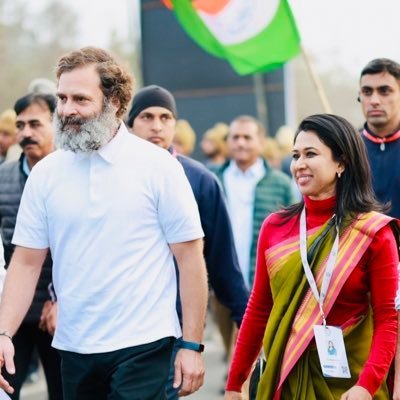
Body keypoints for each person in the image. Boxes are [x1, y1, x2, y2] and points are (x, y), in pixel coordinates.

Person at [0, 47, 208, 400]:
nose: (66, 109)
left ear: (115, 102)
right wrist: (4, 333)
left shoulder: (158, 167)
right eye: (62, 98)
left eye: (80, 99)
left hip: (145, 345)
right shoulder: (46, 174)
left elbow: (189, 259)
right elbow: (26, 262)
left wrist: (191, 344)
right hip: (73, 347)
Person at [224, 114, 399, 400]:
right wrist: (234, 383)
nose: (299, 164)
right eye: (295, 155)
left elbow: (388, 319)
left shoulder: (373, 233)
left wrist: (366, 386)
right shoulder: (275, 227)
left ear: (341, 163)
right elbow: (259, 308)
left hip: (353, 383)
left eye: (311, 154)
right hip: (287, 378)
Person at [126, 84, 249, 400]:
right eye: (147, 117)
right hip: (118, 325)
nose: (157, 126)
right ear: (130, 123)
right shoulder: (112, 176)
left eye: (165, 117)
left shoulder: (200, 180)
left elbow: (222, 263)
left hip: (172, 327)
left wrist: (248, 320)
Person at [0, 92, 62, 399]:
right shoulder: (3, 178)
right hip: (14, 315)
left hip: (60, 316)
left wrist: (62, 298)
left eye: (35, 124)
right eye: (20, 125)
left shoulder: (72, 175)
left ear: (56, 125)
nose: (26, 133)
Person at [215, 115, 295, 288]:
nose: (240, 143)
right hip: (222, 284)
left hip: (267, 283)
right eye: (235, 137)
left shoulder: (280, 183)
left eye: (247, 137)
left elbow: (295, 234)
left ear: (261, 142)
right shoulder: (214, 180)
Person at [358, 58, 400, 219]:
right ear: (359, 96)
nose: (374, 101)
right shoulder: (344, 151)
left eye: (384, 91)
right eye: (367, 92)